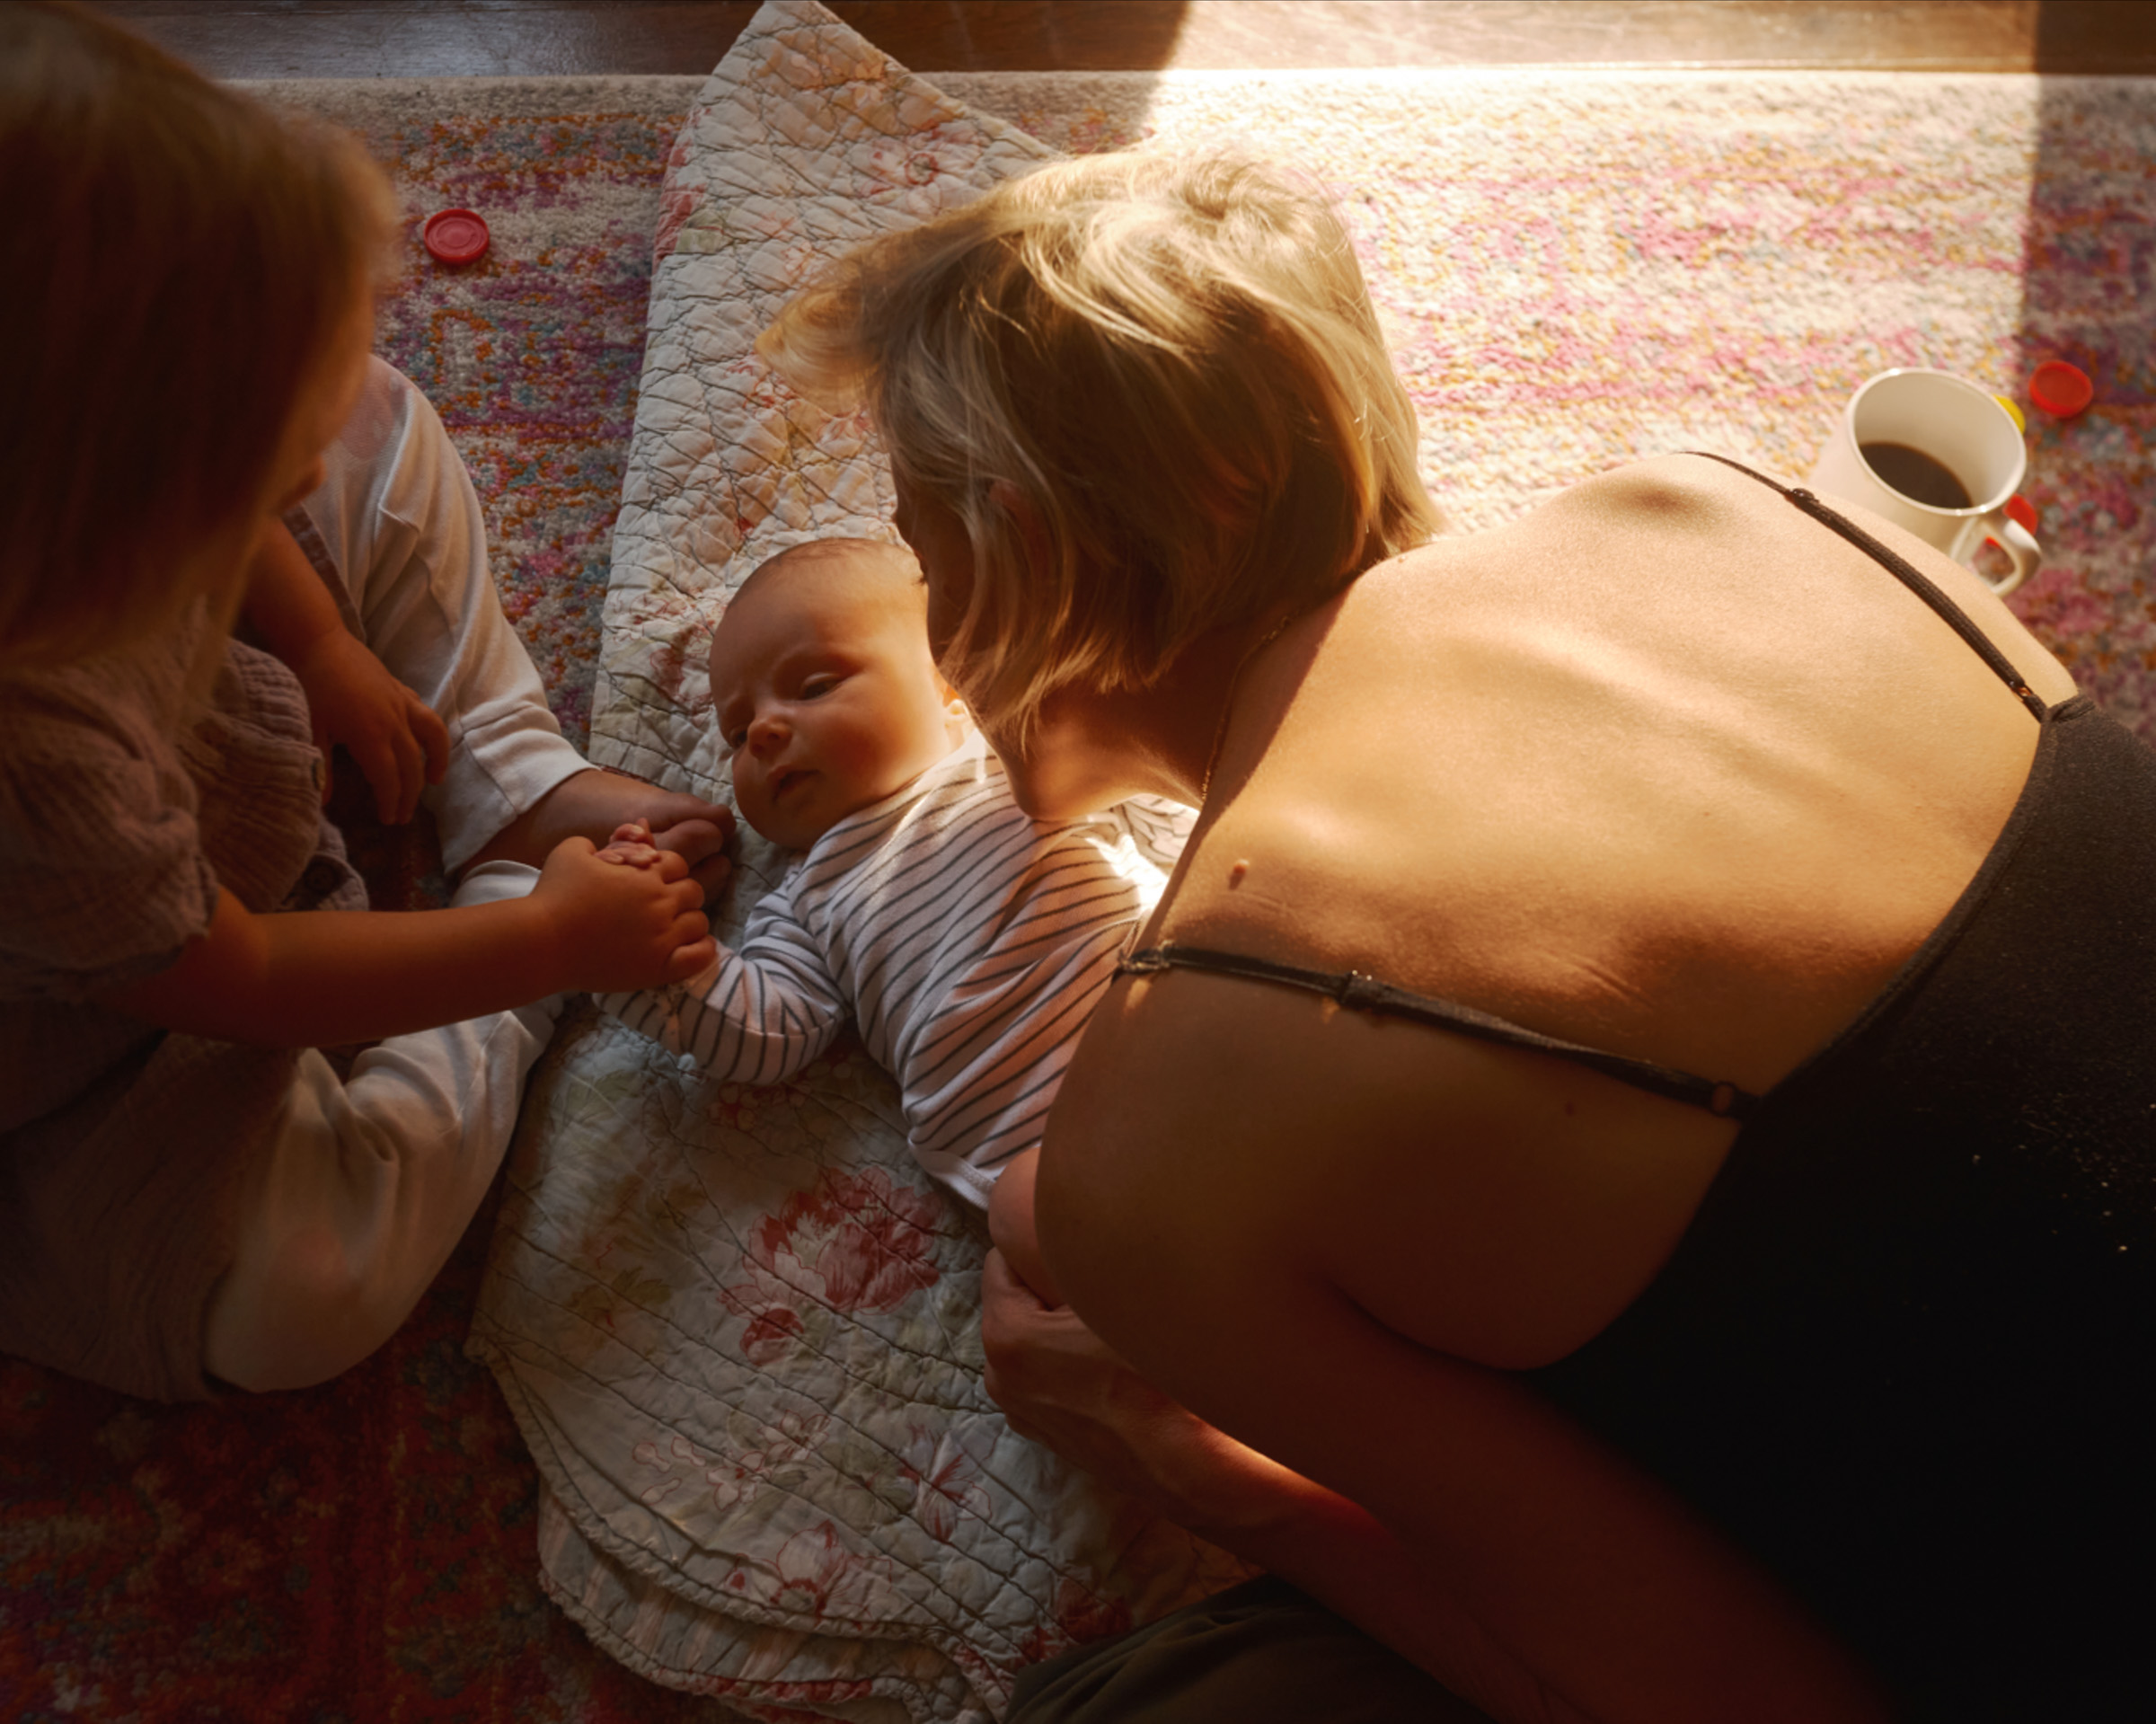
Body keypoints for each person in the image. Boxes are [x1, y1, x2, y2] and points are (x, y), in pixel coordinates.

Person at [757, 148, 2156, 1720]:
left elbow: (1752, 1700)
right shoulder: (1707, 499)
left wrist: (1194, 1462)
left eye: (924, 553)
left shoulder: (1155, 1146)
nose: (931, 635)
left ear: (1021, 542)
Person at [0, 2, 732, 1401]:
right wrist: (544, 945)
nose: (289, 487)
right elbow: (248, 980)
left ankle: (508, 776)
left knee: (376, 415)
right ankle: (510, 895)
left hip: (169, 757)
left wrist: (324, 637)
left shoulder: (63, 492)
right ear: (117, 513)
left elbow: (241, 494)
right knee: (297, 1294)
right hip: (98, 1051)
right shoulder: (39, 778)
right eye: (256, 476)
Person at [596, 537, 1188, 1215]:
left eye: (814, 687)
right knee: (1029, 1225)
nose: (762, 731)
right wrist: (649, 957)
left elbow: (1174, 805)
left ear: (951, 684)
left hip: (1169, 1018)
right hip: (1027, 1149)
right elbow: (766, 1036)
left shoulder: (1015, 755)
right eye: (737, 732)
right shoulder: (804, 901)